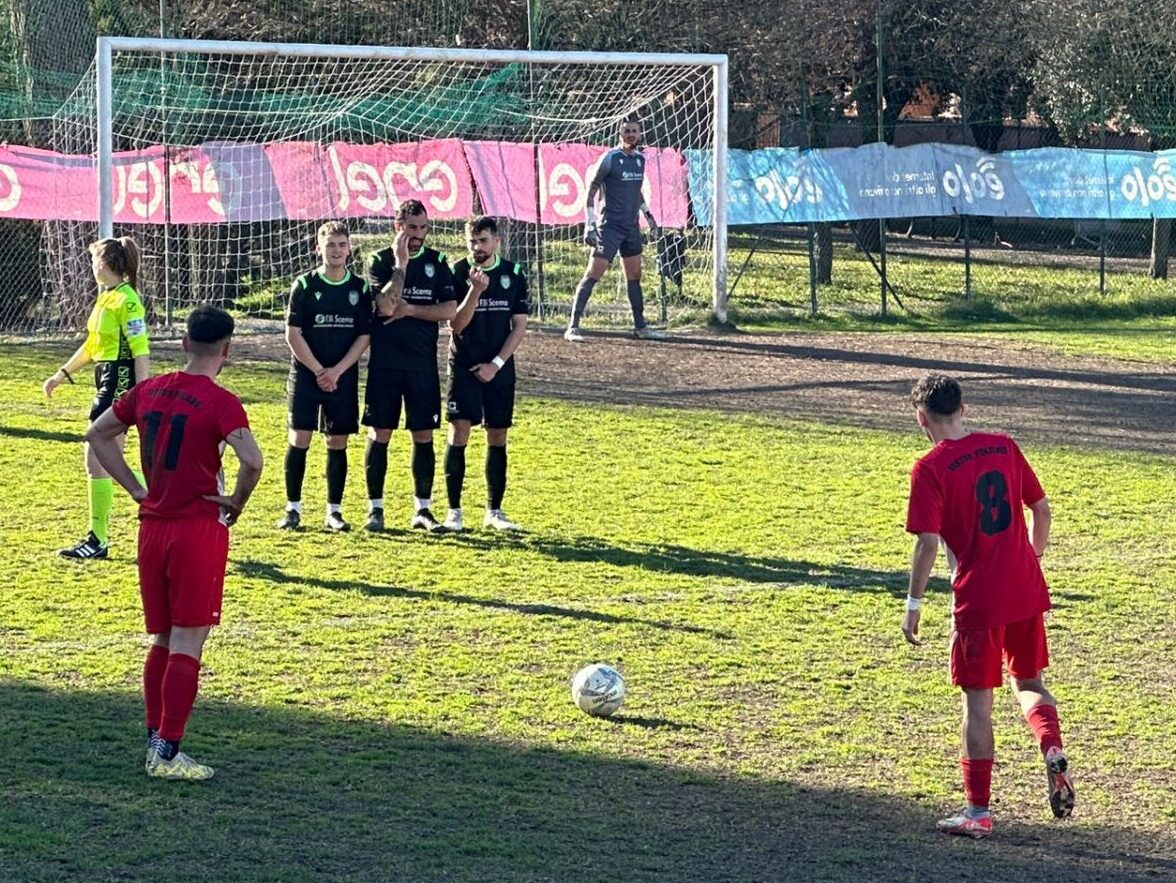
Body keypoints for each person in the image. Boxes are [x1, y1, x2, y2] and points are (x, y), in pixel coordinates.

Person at [85, 304, 263, 781]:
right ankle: (167, 754)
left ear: (185, 343)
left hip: (152, 527)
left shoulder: (148, 390)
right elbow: (253, 461)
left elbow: (97, 434)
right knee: (188, 638)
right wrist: (235, 502)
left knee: (163, 636)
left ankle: (155, 739)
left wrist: (135, 488)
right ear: (226, 350)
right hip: (196, 529)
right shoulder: (222, 402)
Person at [903, 374, 1075, 838]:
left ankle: (977, 812)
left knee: (977, 706)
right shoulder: (1003, 445)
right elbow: (1041, 508)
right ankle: (1051, 746)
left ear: (922, 420)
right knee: (1030, 681)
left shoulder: (930, 468)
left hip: (978, 598)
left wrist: (914, 602)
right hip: (1024, 588)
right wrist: (1032, 559)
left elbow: (926, 542)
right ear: (963, 409)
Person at [43, 237, 151, 560]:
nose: (91, 266)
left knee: (97, 457)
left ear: (104, 264)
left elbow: (140, 349)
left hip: (119, 381)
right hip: (105, 378)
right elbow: (92, 345)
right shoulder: (106, 298)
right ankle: (169, 499)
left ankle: (99, 538)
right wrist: (61, 374)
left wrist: (142, 395)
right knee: (108, 460)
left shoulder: (127, 300)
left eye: (93, 261)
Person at [362, 199, 457, 533]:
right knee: (380, 433)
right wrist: (400, 265)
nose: (418, 235)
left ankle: (423, 510)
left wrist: (412, 310)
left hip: (421, 364)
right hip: (385, 364)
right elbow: (386, 307)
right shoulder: (379, 260)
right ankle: (375, 509)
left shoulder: (437, 261)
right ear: (397, 226)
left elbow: (449, 310)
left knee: (424, 434)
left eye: (423, 228)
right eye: (411, 228)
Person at [279, 222, 372, 532]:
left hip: (341, 376)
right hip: (307, 375)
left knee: (337, 441)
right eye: (330, 245)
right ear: (318, 248)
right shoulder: (304, 285)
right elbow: (293, 335)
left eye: (341, 245)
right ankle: (292, 509)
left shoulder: (358, 288)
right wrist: (319, 370)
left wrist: (337, 371)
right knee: (299, 438)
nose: (336, 250)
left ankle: (334, 511)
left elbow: (363, 336)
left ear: (349, 249)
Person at [443, 216, 531, 532]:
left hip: (499, 368)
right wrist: (475, 292)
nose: (477, 248)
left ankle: (494, 511)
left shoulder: (513, 274)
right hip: (464, 366)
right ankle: (454, 513)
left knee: (497, 435)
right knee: (459, 433)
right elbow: (456, 324)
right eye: (472, 242)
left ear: (496, 240)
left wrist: (496, 364)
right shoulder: (455, 272)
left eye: (483, 241)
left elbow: (519, 325)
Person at [564, 118, 665, 342]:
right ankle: (573, 326)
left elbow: (636, 192)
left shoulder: (640, 159)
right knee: (593, 274)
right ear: (620, 134)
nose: (631, 134)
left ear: (640, 135)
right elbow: (591, 190)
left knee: (635, 275)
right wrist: (590, 225)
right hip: (609, 226)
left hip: (631, 227)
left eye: (634, 131)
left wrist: (648, 215)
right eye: (627, 131)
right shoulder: (610, 159)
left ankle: (641, 327)